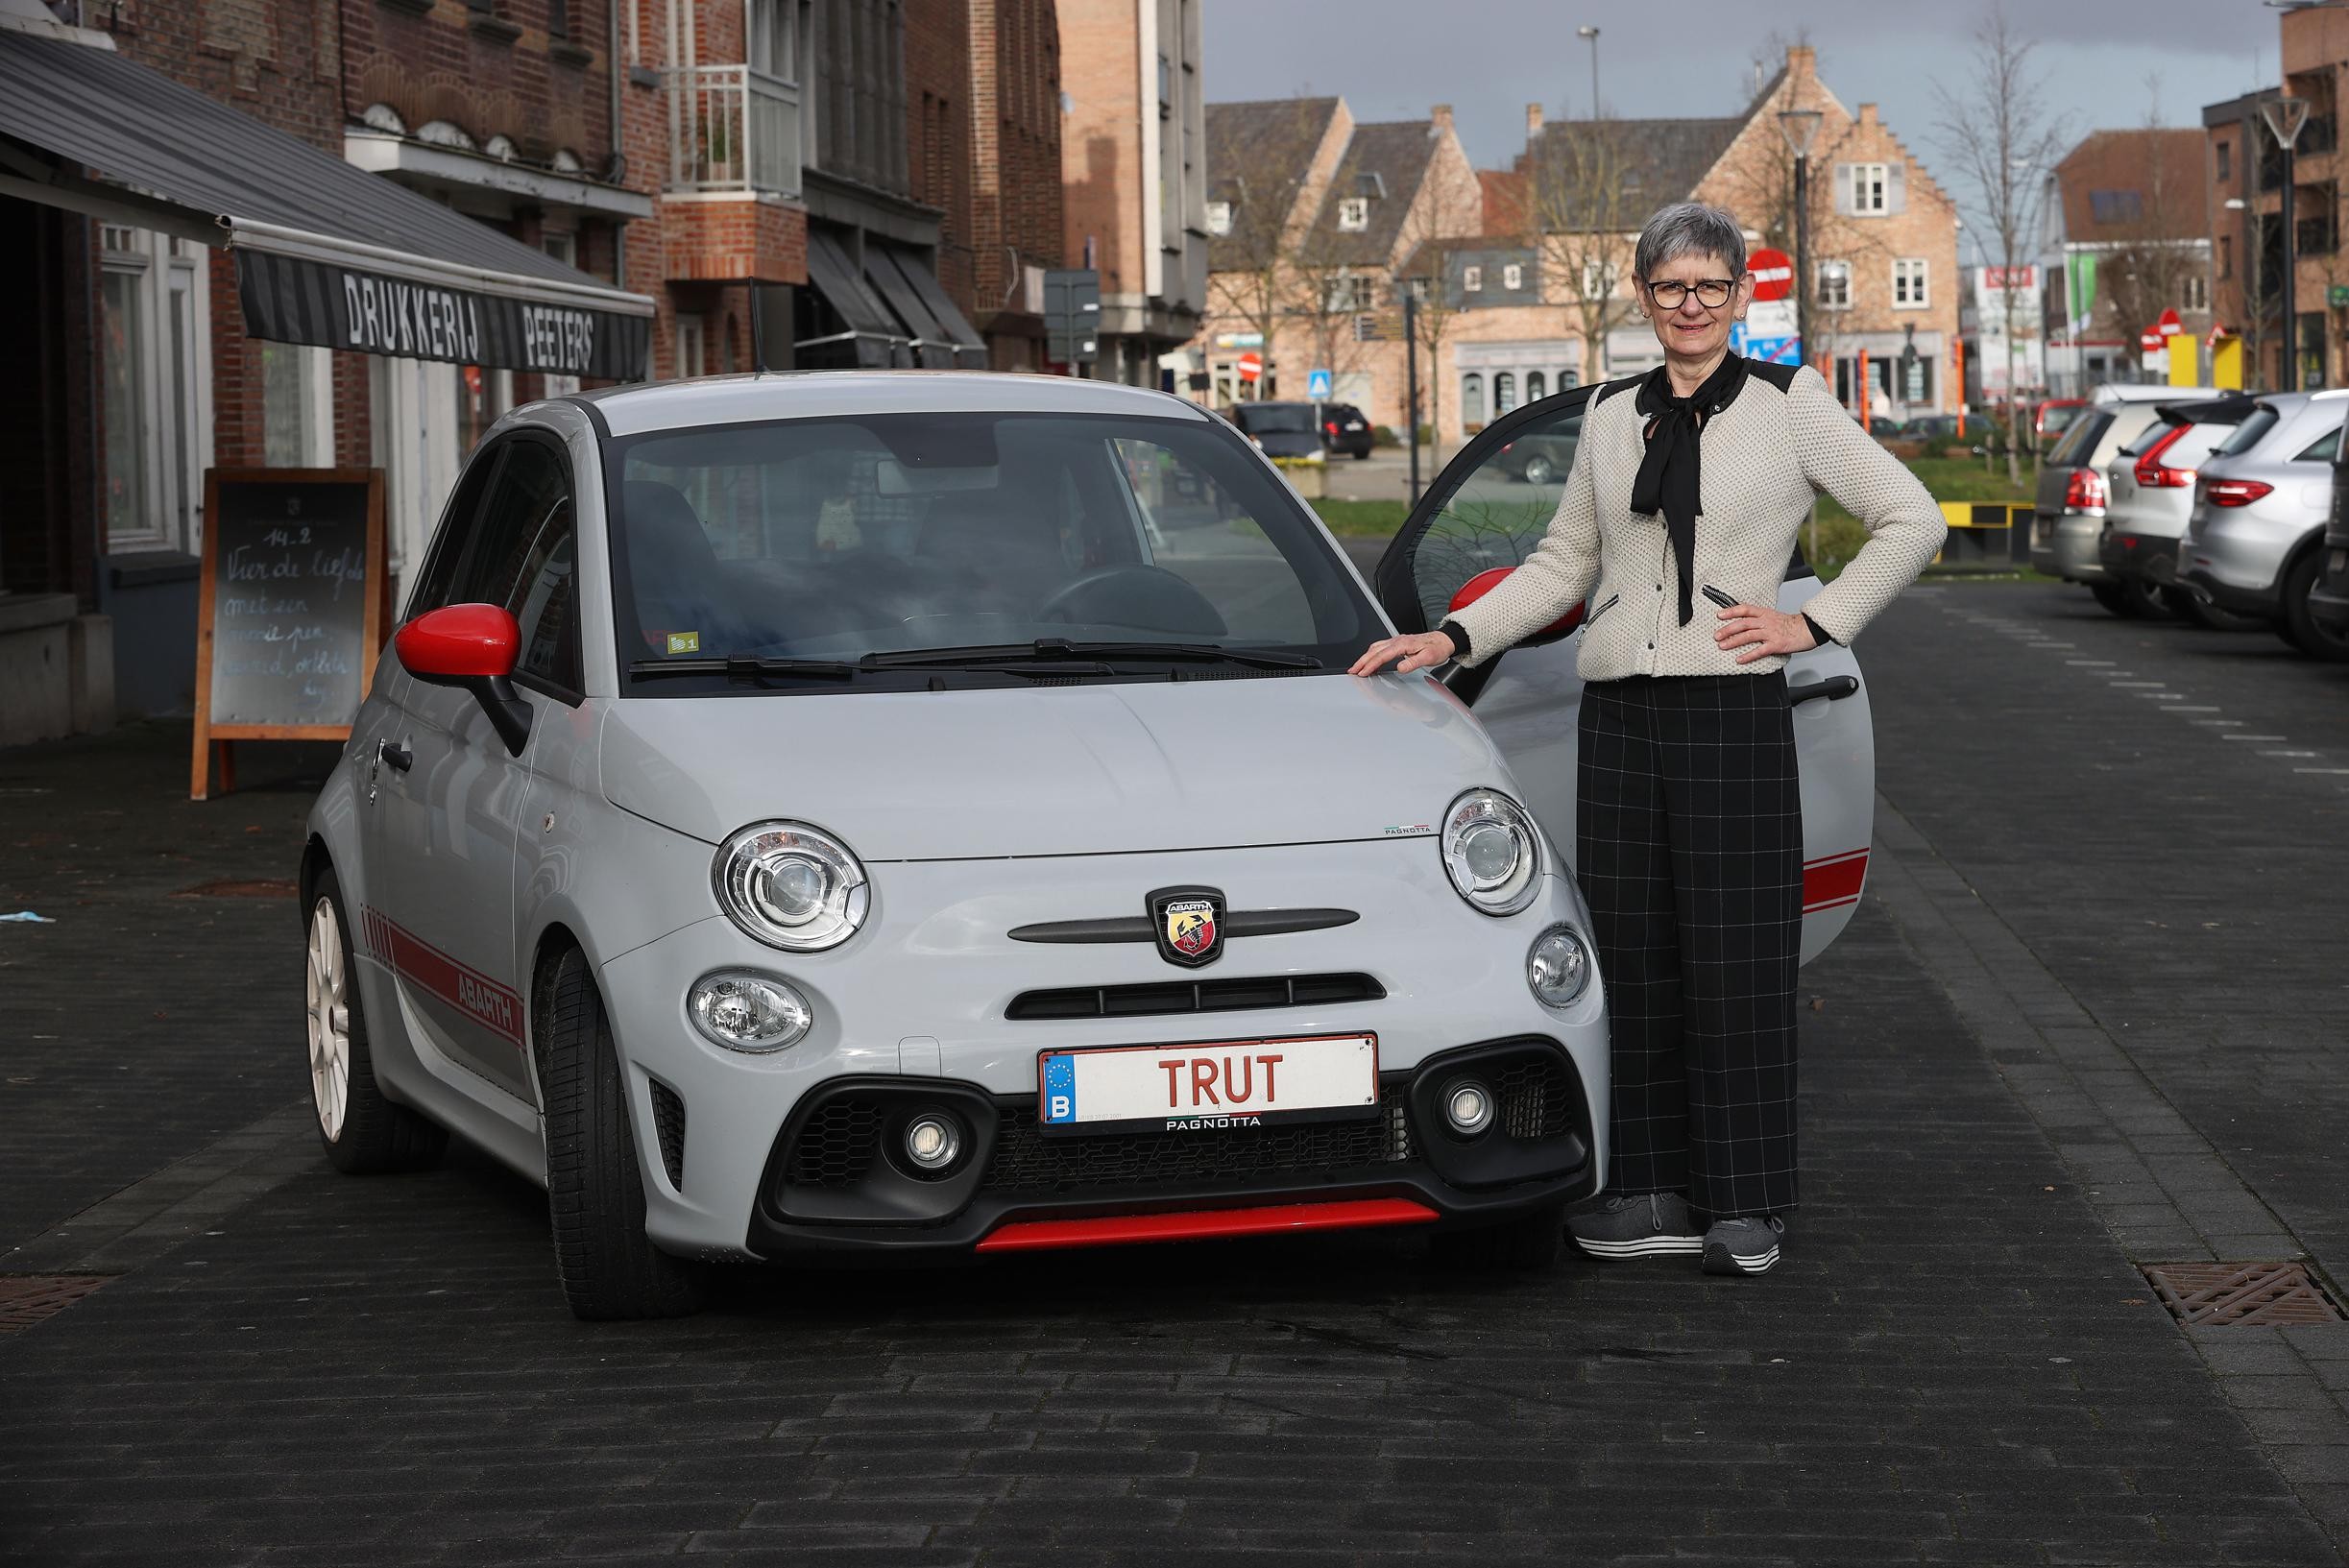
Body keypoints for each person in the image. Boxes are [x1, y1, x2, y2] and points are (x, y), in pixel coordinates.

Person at [1349, 202, 1945, 1277]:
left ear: (1739, 296)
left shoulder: (1787, 404)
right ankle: (1649, 1189)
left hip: (1730, 710)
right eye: (1671, 286)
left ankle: (1748, 1201)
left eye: (1711, 286)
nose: (1691, 305)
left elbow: (1914, 517)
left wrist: (1810, 624)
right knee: (1634, 958)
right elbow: (1558, 568)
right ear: (1641, 295)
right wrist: (1447, 633)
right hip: (1620, 715)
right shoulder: (1614, 416)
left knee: (1741, 961)